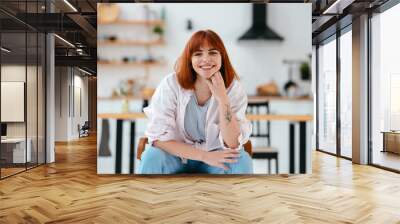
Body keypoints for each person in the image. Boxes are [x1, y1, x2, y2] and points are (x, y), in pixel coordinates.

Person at [138, 29, 253, 174]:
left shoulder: (233, 89)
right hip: (176, 156)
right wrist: (204, 156)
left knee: (242, 160)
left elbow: (233, 143)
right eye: (198, 54)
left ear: (222, 57)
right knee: (152, 156)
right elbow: (157, 139)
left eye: (212, 52)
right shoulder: (171, 84)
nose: (206, 59)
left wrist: (223, 99)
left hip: (217, 157)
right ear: (189, 59)